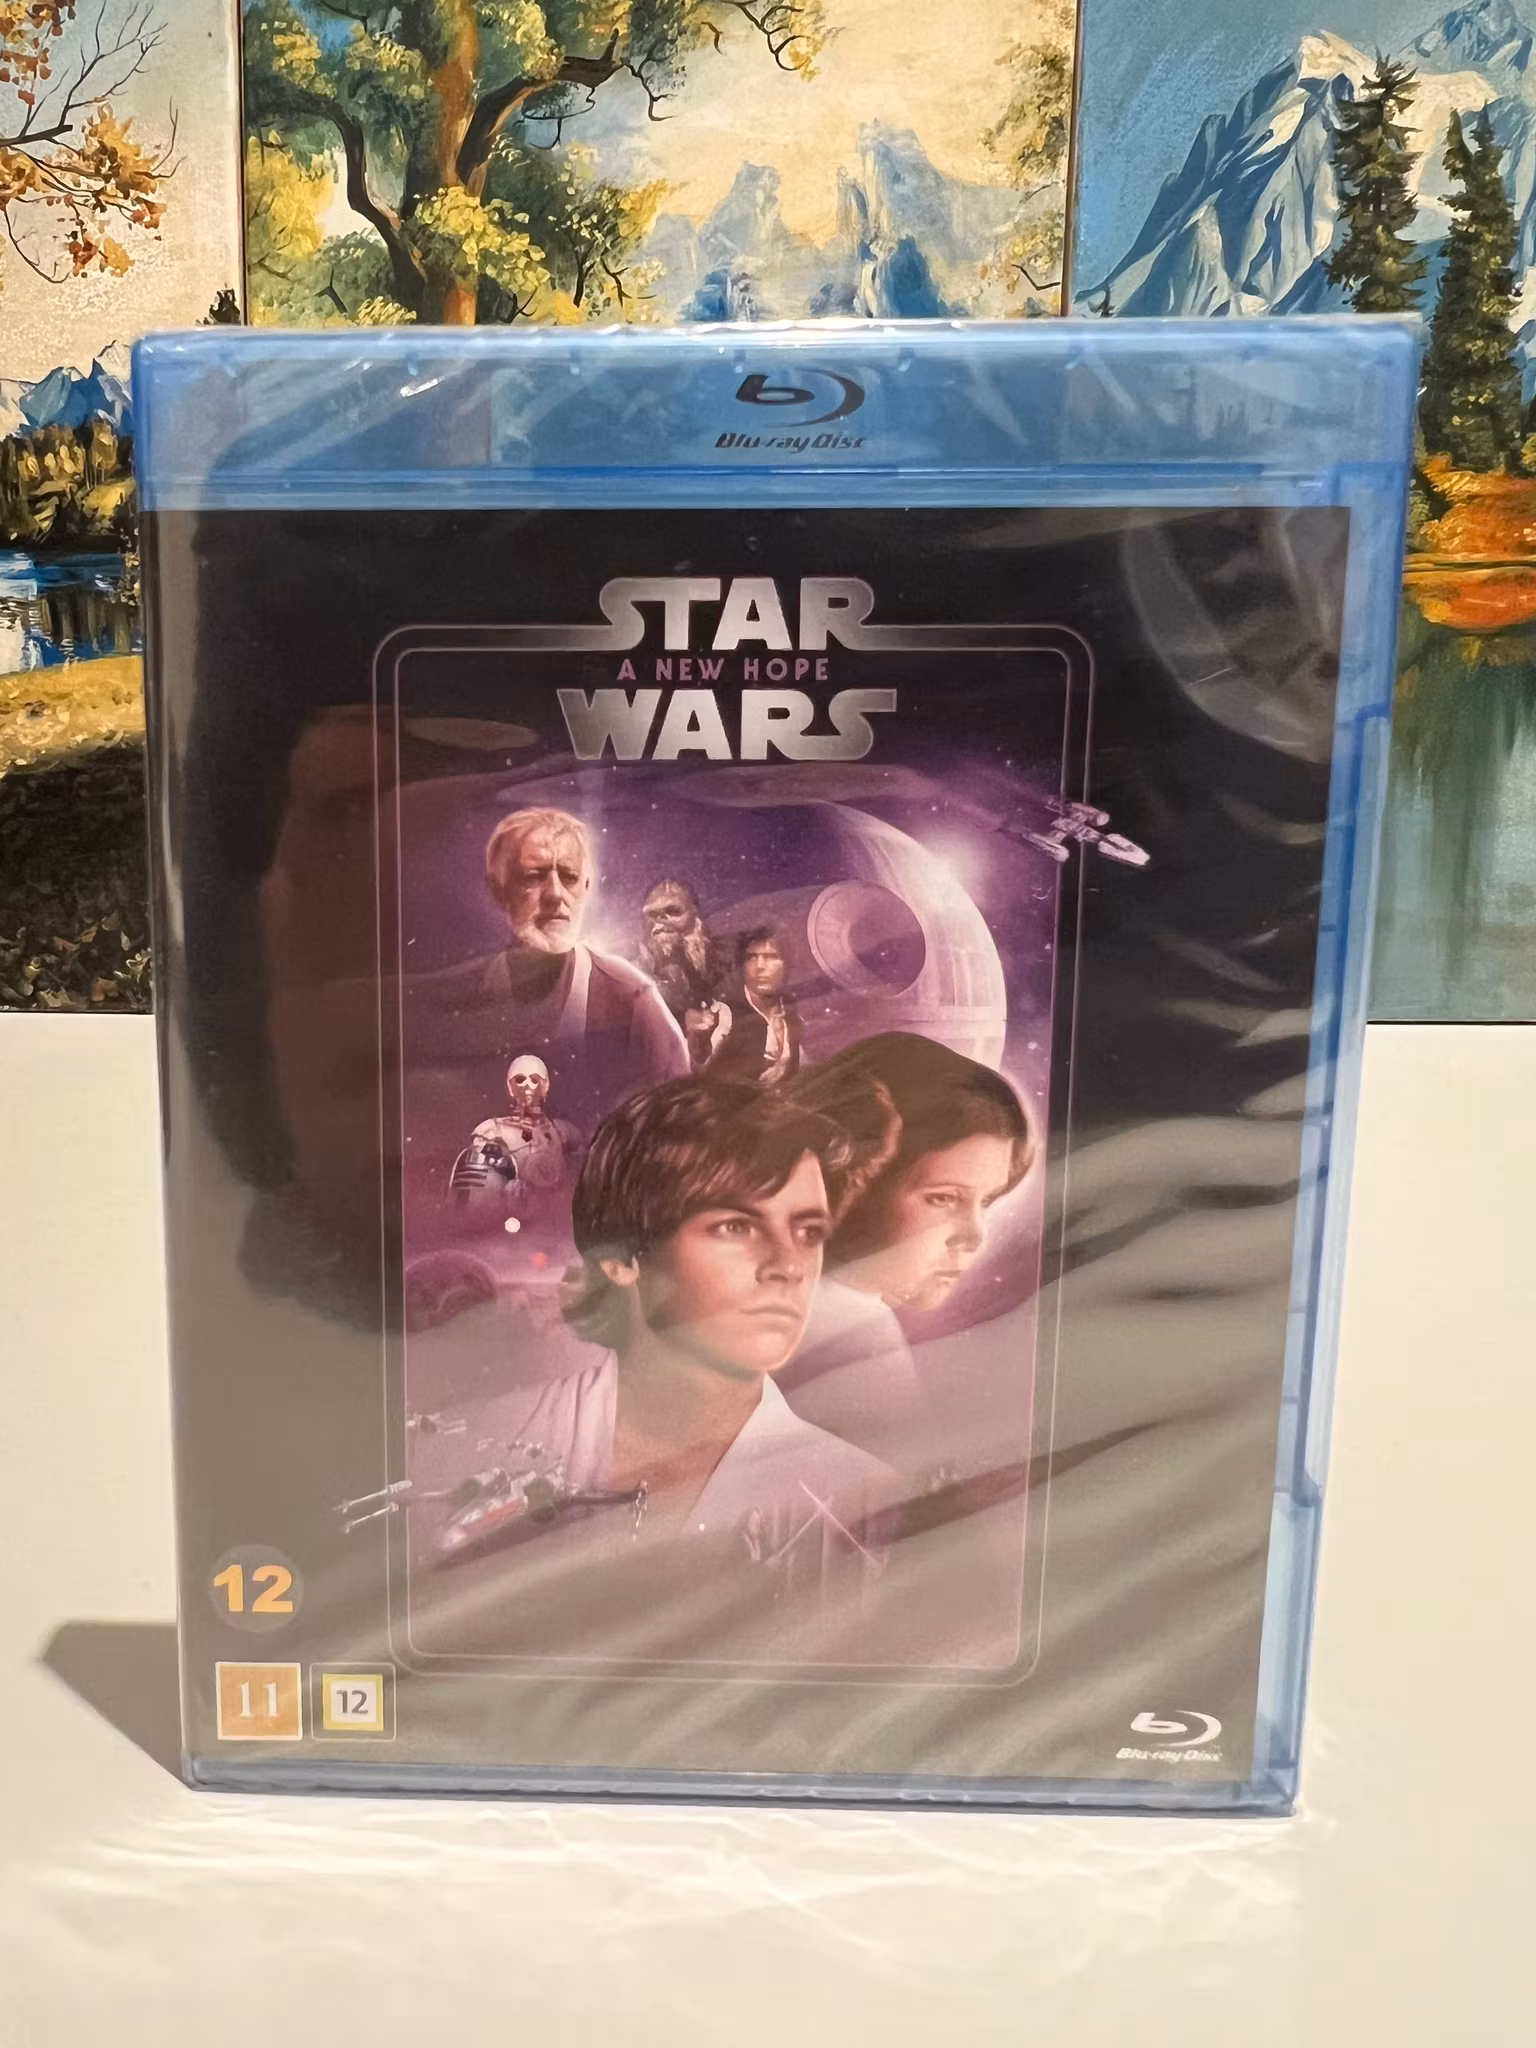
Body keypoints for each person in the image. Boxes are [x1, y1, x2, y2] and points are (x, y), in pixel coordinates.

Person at [405, 1077, 902, 1660]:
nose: (789, 1266)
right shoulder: (449, 1462)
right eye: (736, 1227)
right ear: (622, 1258)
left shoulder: (866, 1502)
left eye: (808, 1232)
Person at [781, 1033, 1035, 1469]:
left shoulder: (818, 1306)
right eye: (943, 1198)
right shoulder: (846, 1327)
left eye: (986, 1201)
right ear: (861, 1183)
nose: (974, 1235)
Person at [404, 806, 688, 1160]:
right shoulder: (461, 997)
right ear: (499, 890)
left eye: (568, 877)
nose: (555, 894)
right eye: (534, 876)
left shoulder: (629, 999)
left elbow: (679, 1131)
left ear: (585, 888)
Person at [636, 878, 730, 1068]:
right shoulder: (631, 981)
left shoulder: (726, 970)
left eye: (673, 911)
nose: (661, 920)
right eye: (652, 915)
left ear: (695, 918)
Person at [705, 925, 803, 1088]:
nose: (760, 966)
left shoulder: (789, 1010)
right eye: (751, 957)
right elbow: (706, 1078)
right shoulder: (723, 1014)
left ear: (787, 964)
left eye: (771, 956)